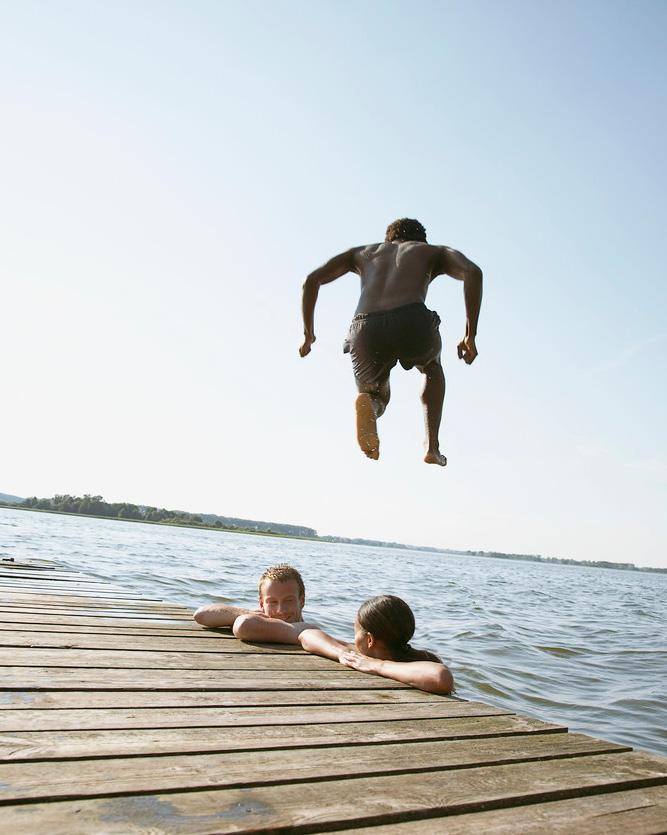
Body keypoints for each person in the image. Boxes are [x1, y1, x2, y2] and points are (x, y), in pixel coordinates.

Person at [300, 218, 483, 466]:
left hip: (365, 327)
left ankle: (371, 407)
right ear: (420, 239)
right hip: (412, 321)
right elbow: (473, 272)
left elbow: (311, 280)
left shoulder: (362, 253)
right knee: (432, 367)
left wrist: (308, 333)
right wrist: (469, 335)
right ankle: (432, 447)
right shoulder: (432, 251)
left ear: (388, 239)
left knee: (374, 393)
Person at [298, 594, 453, 695]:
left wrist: (377, 666)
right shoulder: (363, 656)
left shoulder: (417, 663)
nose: (354, 640)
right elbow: (307, 635)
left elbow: (440, 676)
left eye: (356, 632)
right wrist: (341, 653)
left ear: (370, 640)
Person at [193, 564, 314, 644]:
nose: (280, 610)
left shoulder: (310, 633)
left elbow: (244, 625)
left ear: (302, 601)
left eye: (288, 601)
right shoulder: (257, 619)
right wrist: (246, 613)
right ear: (262, 604)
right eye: (272, 602)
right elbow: (201, 615)